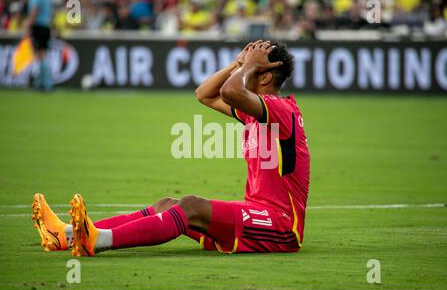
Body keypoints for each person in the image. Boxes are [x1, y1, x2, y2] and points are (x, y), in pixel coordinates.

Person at [31, 40, 310, 256]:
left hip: (281, 226)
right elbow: (204, 94)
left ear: (264, 78)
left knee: (189, 206)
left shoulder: (281, 109)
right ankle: (68, 235)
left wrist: (249, 65)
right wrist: (237, 64)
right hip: (258, 215)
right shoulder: (257, 112)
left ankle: (98, 241)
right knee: (168, 204)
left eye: (250, 70)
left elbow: (229, 92)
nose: (242, 73)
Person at [24, 0, 53, 91]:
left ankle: (46, 83)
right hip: (46, 26)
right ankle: (41, 82)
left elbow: (35, 10)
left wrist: (28, 24)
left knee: (41, 55)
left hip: (39, 26)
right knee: (41, 55)